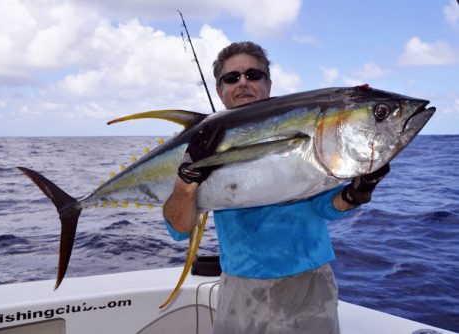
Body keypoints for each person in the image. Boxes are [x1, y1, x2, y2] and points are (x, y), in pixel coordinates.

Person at [163, 41, 389, 334]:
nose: (243, 82)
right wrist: (186, 183)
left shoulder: (303, 122)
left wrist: (358, 192)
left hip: (309, 283)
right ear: (219, 91)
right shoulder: (199, 146)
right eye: (232, 78)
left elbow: (324, 207)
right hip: (240, 286)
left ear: (268, 83)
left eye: (253, 75)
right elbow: (179, 229)